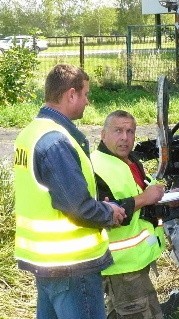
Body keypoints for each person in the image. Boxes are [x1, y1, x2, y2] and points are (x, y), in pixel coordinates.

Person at [13, 64, 127, 319]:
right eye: (85, 94)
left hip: (46, 263)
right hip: (72, 265)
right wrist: (109, 213)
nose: (88, 101)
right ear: (71, 94)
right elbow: (77, 206)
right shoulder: (56, 141)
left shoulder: (30, 134)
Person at [90, 110, 168, 319]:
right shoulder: (95, 167)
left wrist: (166, 196)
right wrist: (145, 198)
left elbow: (144, 191)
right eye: (118, 131)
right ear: (103, 134)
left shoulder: (129, 160)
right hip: (118, 268)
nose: (125, 137)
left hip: (135, 264)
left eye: (130, 131)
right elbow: (101, 214)